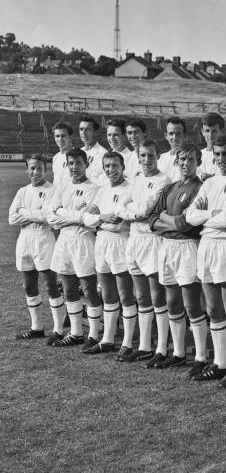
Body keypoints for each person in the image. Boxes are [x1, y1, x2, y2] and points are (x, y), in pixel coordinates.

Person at [185, 135, 226, 385]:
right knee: (212, 308)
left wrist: (207, 215)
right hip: (207, 245)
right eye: (217, 154)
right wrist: (211, 213)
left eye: (225, 154)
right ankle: (220, 362)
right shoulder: (210, 182)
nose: (221, 159)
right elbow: (190, 215)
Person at [149, 144, 206, 372]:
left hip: (188, 247)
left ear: (198, 162)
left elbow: (186, 224)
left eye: (191, 159)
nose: (186, 163)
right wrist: (168, 220)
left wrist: (166, 218)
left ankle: (201, 356)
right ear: (177, 161)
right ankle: (179, 352)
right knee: (172, 302)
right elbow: (152, 220)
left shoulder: (200, 188)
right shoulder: (171, 187)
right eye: (182, 159)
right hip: (167, 246)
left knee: (191, 304)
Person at [116, 139, 172, 364]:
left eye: (150, 155)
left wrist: (130, 210)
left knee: (158, 295)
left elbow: (146, 209)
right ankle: (145, 345)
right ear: (137, 158)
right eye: (143, 156)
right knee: (141, 296)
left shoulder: (163, 180)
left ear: (157, 156)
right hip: (134, 240)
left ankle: (161, 348)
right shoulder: (136, 179)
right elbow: (121, 206)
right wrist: (131, 211)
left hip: (152, 239)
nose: (146, 160)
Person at [82, 152, 136, 357]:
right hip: (101, 241)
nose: (110, 170)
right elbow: (88, 217)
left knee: (125, 294)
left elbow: (120, 222)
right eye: (107, 166)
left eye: (114, 166)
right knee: (108, 294)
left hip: (120, 242)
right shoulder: (101, 190)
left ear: (123, 167)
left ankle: (128, 343)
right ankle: (107, 339)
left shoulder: (129, 189)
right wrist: (101, 219)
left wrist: (99, 219)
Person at [47, 148, 102, 348]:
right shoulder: (61, 187)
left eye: (78, 163)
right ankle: (76, 332)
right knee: (69, 289)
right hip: (64, 241)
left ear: (86, 164)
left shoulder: (94, 188)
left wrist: (64, 213)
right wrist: (75, 216)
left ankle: (94, 335)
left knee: (88, 289)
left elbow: (89, 221)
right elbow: (52, 219)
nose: (74, 167)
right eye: (70, 163)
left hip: (84, 241)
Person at [8, 155, 65, 341]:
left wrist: (23, 212)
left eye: (39, 168)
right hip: (24, 239)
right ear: (27, 170)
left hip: (43, 238)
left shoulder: (52, 190)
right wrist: (34, 215)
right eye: (32, 168)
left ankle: (58, 330)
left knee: (50, 285)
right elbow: (11, 218)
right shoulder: (22, 191)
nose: (35, 172)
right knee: (29, 285)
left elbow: (47, 217)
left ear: (45, 169)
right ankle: (37, 327)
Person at [79, 117, 107, 186]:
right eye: (81, 129)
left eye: (87, 129)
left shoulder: (103, 154)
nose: (83, 132)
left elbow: (103, 182)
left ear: (95, 132)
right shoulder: (79, 152)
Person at [158, 117, 188, 182]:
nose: (174, 137)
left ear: (184, 135)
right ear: (166, 135)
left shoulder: (190, 158)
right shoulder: (160, 159)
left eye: (178, 134)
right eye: (171, 133)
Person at [198, 112, 224, 178]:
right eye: (207, 131)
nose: (210, 135)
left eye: (214, 131)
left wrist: (211, 177)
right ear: (202, 132)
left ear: (221, 131)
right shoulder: (197, 154)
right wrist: (201, 176)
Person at [51, 121, 74, 189]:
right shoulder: (55, 158)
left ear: (71, 137)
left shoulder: (78, 156)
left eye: (63, 136)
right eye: (57, 136)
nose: (60, 139)